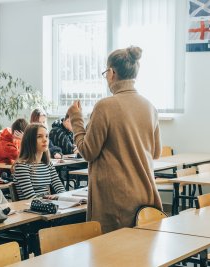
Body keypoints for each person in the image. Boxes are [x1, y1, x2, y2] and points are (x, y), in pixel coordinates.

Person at [67, 46, 162, 233]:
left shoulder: (105, 106)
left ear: (111, 73)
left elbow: (88, 151)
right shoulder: (149, 106)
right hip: (145, 194)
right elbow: (156, 152)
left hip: (116, 199)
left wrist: (76, 119)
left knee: (110, 257)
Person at [13, 123, 65, 200]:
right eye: (39, 137)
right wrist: (53, 199)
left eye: (46, 136)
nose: (45, 140)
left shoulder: (47, 164)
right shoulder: (22, 166)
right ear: (29, 140)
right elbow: (31, 197)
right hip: (31, 209)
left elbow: (60, 189)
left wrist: (61, 197)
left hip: (47, 205)